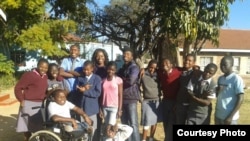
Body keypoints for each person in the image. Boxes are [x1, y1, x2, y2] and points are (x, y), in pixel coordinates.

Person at [14, 58, 49, 141]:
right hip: (29, 103)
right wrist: (21, 100)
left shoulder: (45, 76)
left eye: (46, 68)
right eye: (41, 67)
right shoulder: (29, 75)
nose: (43, 69)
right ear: (37, 66)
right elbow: (18, 88)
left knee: (39, 127)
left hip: (40, 104)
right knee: (26, 127)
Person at [117, 47, 141, 141]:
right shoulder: (123, 68)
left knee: (133, 123)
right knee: (125, 123)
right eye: (124, 54)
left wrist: (120, 80)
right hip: (122, 98)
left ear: (132, 56)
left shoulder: (134, 67)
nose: (125, 55)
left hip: (131, 98)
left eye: (127, 54)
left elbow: (131, 81)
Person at [75, 60, 102, 140]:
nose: (86, 71)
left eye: (88, 70)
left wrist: (85, 91)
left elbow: (97, 93)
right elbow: (77, 90)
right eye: (84, 69)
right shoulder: (80, 78)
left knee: (92, 129)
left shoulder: (97, 78)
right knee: (83, 130)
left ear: (92, 69)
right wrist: (80, 90)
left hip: (92, 109)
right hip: (82, 109)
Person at [215, 55, 244, 125]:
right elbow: (218, 95)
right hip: (218, 115)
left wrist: (230, 117)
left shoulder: (236, 79)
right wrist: (217, 91)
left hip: (230, 117)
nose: (222, 67)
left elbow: (241, 98)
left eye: (225, 65)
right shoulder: (220, 78)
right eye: (221, 64)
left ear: (232, 65)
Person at [157, 58, 182, 141]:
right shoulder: (161, 73)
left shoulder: (178, 72)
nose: (165, 64)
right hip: (165, 101)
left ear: (171, 65)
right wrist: (143, 68)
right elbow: (152, 67)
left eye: (167, 63)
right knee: (166, 122)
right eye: (163, 63)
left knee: (171, 123)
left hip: (175, 102)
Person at [140, 59, 162, 141]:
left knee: (154, 121)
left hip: (156, 101)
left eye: (154, 68)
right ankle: (144, 139)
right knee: (146, 122)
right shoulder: (142, 74)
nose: (152, 69)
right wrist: (140, 98)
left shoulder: (159, 75)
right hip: (147, 101)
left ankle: (151, 138)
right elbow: (137, 85)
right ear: (148, 66)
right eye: (150, 67)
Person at [175, 53, 197, 124]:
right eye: (186, 60)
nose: (187, 61)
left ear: (193, 63)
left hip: (191, 104)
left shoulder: (196, 73)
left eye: (189, 60)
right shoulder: (179, 72)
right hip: (180, 104)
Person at [100, 61, 123, 126]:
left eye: (113, 70)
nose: (110, 71)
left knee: (111, 126)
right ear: (106, 69)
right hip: (104, 106)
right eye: (109, 69)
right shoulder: (103, 80)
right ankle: (106, 136)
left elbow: (120, 95)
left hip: (114, 107)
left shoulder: (118, 80)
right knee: (106, 126)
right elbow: (101, 95)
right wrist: (101, 108)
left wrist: (120, 110)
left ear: (115, 70)